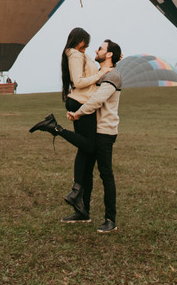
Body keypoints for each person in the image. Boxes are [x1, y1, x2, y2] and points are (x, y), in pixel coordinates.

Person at [30, 39, 123, 233]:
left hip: (105, 131)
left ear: (108, 55)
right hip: (93, 129)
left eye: (100, 48)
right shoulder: (100, 74)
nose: (95, 50)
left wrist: (78, 113)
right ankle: (83, 211)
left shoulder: (113, 76)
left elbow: (98, 99)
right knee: (87, 172)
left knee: (106, 174)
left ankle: (110, 219)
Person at [51, 28, 103, 221]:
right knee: (88, 146)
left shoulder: (79, 55)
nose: (87, 46)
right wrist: (100, 74)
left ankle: (82, 206)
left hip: (85, 102)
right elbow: (78, 81)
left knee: (88, 152)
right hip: (80, 102)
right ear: (78, 40)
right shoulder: (74, 55)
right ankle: (56, 128)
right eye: (85, 42)